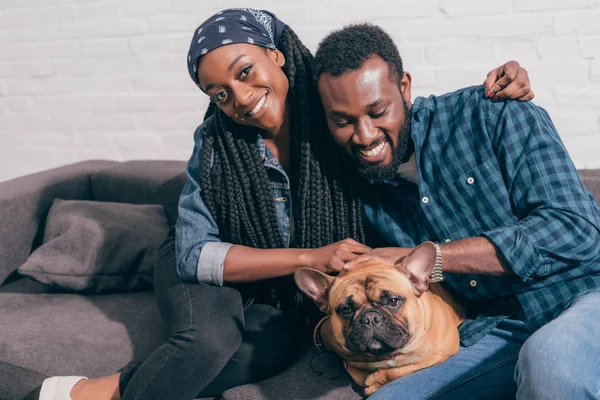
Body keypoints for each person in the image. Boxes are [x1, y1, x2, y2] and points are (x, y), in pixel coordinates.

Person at [38, 8, 535, 400]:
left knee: (267, 350)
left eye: (245, 71)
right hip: (206, 265)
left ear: (275, 54)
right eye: (220, 92)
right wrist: (309, 258)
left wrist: (492, 89)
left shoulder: (336, 116)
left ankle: (108, 388)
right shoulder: (216, 147)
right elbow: (194, 254)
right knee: (207, 342)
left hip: (279, 289)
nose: (241, 97)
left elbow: (391, 107)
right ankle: (89, 394)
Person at [313, 23, 600, 400]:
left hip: (581, 297)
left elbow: (577, 229)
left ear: (405, 88)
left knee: (549, 364)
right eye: (343, 121)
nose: (365, 136)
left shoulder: (490, 115)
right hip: (495, 329)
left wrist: (438, 259)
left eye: (378, 111)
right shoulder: (350, 186)